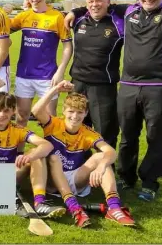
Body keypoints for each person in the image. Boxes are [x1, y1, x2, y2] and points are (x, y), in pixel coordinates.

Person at [65, 0, 162, 201]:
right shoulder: (129, 11)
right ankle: (125, 176)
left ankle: (149, 182)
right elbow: (99, 4)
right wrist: (75, 11)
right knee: (127, 136)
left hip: (160, 86)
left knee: (155, 137)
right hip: (128, 85)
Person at [32, 81, 135, 227]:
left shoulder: (88, 133)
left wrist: (101, 166)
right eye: (71, 111)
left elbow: (110, 152)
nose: (75, 116)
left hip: (74, 178)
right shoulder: (54, 124)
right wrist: (55, 89)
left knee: (101, 157)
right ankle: (73, 207)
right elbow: (36, 110)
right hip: (50, 178)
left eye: (80, 112)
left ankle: (114, 207)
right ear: (64, 111)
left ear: (86, 113)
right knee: (53, 158)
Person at [0, 79, 66, 218]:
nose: (1, 115)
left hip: (9, 175)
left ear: (13, 111)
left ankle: (40, 203)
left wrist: (30, 156)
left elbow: (47, 145)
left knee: (37, 154)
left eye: (6, 110)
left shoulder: (18, 129)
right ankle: (7, 197)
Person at [8, 0, 73, 129]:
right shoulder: (23, 16)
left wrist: (60, 71)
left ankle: (52, 153)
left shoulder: (57, 17)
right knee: (21, 118)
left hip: (48, 77)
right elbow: (2, 32)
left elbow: (68, 47)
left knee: (49, 121)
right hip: (23, 75)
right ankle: (18, 153)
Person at [66, 0, 123, 150]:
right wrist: (74, 12)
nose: (94, 5)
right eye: (91, 1)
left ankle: (105, 170)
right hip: (77, 84)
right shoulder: (78, 20)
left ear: (108, 2)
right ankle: (76, 168)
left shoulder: (118, 23)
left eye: (99, 0)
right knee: (75, 127)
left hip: (103, 87)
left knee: (104, 131)